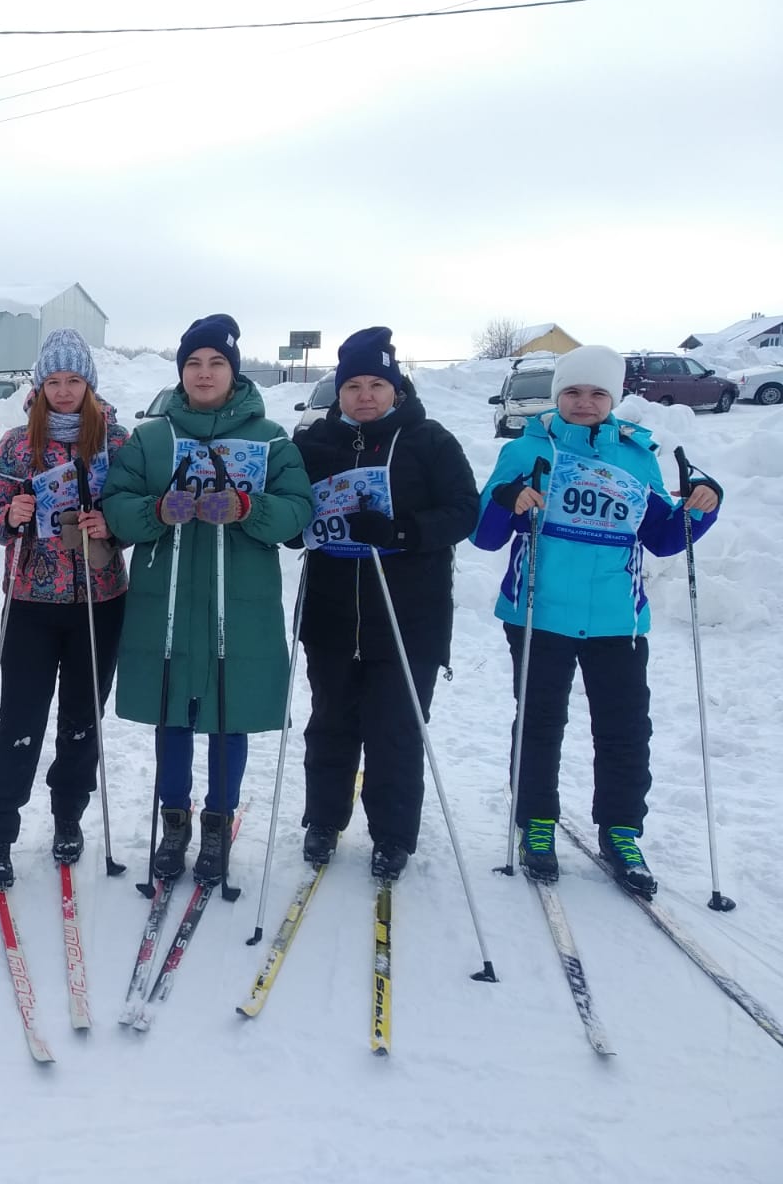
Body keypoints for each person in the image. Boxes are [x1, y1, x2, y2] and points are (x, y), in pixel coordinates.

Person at [471, 344, 721, 897]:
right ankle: (536, 821)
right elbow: (484, 535)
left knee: (625, 729)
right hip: (539, 611)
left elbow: (660, 538)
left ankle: (621, 830)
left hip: (617, 618)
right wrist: (508, 500)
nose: (584, 403)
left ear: (615, 398)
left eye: (598, 393)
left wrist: (701, 508)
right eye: (574, 392)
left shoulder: (636, 454)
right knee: (539, 722)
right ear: (558, 394)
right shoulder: (525, 449)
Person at [103, 315, 313, 884]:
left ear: (233, 371)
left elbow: (299, 512)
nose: (204, 372)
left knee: (229, 710)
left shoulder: (269, 440)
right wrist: (155, 512)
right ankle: (175, 822)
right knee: (170, 711)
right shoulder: (151, 438)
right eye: (193, 363)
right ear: (180, 372)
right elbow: (115, 503)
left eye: (216, 362)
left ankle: (219, 822)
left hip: (236, 597)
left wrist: (250, 509)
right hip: (165, 594)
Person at [291, 327, 479, 880]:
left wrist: (401, 531)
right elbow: (287, 514)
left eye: (377, 384)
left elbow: (464, 511)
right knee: (330, 722)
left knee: (396, 728)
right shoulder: (312, 443)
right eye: (353, 385)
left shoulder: (429, 441)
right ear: (339, 391)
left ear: (396, 389)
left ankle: (393, 833)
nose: (365, 395)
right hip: (331, 614)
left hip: (407, 616)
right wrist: (293, 528)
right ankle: (324, 819)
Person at [0, 329, 128, 887]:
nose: (63, 392)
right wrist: (10, 515)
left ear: (90, 384)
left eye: (74, 380)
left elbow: (137, 515)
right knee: (19, 717)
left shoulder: (117, 439)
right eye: (53, 381)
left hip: (98, 599)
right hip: (31, 600)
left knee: (82, 718)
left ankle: (68, 816)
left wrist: (114, 522)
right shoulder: (19, 442)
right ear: (40, 385)